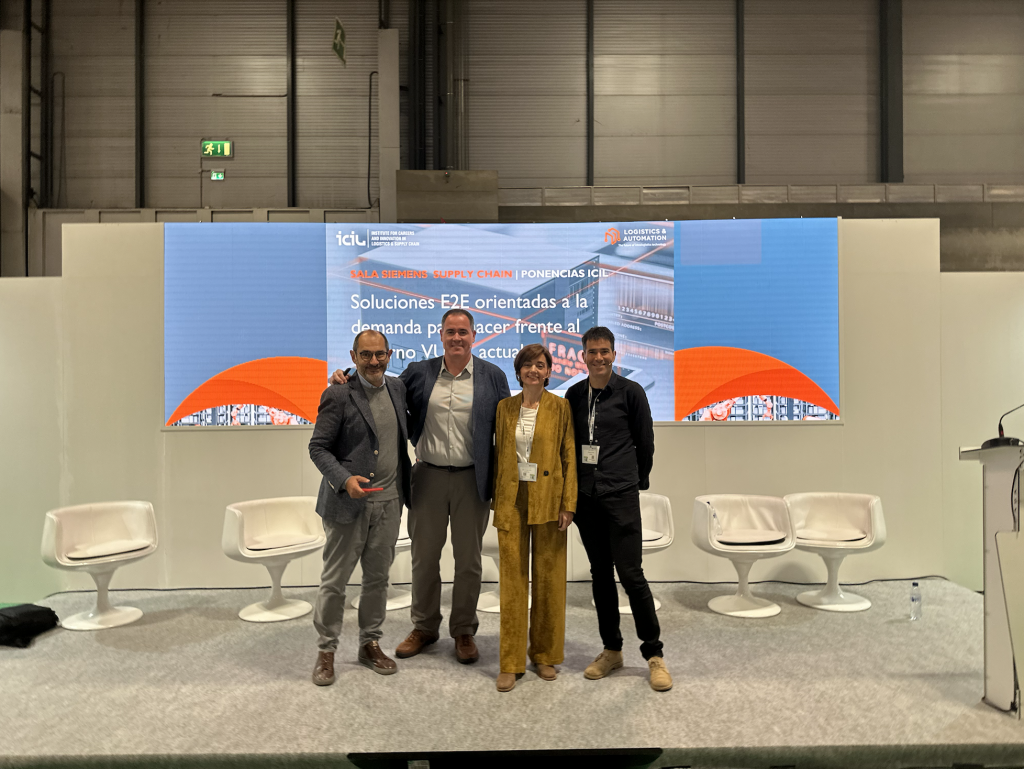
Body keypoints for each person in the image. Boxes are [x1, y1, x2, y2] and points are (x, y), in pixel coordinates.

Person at [332, 308, 510, 664]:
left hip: (472, 479)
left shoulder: (492, 376)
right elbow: (379, 387)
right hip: (427, 477)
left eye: (463, 332)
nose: (456, 338)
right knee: (424, 558)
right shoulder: (419, 372)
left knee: (469, 561)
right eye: (450, 331)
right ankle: (425, 627)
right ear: (440, 335)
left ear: (474, 336)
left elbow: (505, 430)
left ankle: (464, 630)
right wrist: (344, 377)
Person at [565, 326, 672, 692]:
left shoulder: (631, 392)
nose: (598, 357)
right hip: (586, 498)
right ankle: (612, 650)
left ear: (614, 354)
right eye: (592, 352)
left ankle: (654, 654)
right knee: (600, 575)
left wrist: (633, 482)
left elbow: (645, 443)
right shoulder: (574, 394)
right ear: (583, 355)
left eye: (604, 351)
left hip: (620, 494)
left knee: (631, 575)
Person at [308, 329, 412, 686]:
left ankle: (370, 644)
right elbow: (318, 447)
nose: (373, 361)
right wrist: (344, 479)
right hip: (347, 504)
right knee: (334, 581)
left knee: (378, 580)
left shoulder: (398, 388)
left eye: (380, 354)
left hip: (389, 502)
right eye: (365, 355)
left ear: (389, 355)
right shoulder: (338, 393)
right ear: (353, 357)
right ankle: (326, 650)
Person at [491, 344, 576, 692]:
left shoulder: (561, 407)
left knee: (549, 578)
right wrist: (496, 499)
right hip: (512, 499)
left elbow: (569, 455)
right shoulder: (504, 408)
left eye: (540, 365)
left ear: (549, 371)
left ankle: (544, 655)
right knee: (512, 581)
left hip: (549, 499)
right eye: (527, 365)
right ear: (519, 371)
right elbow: (499, 455)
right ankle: (510, 662)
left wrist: (568, 503)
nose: (533, 370)